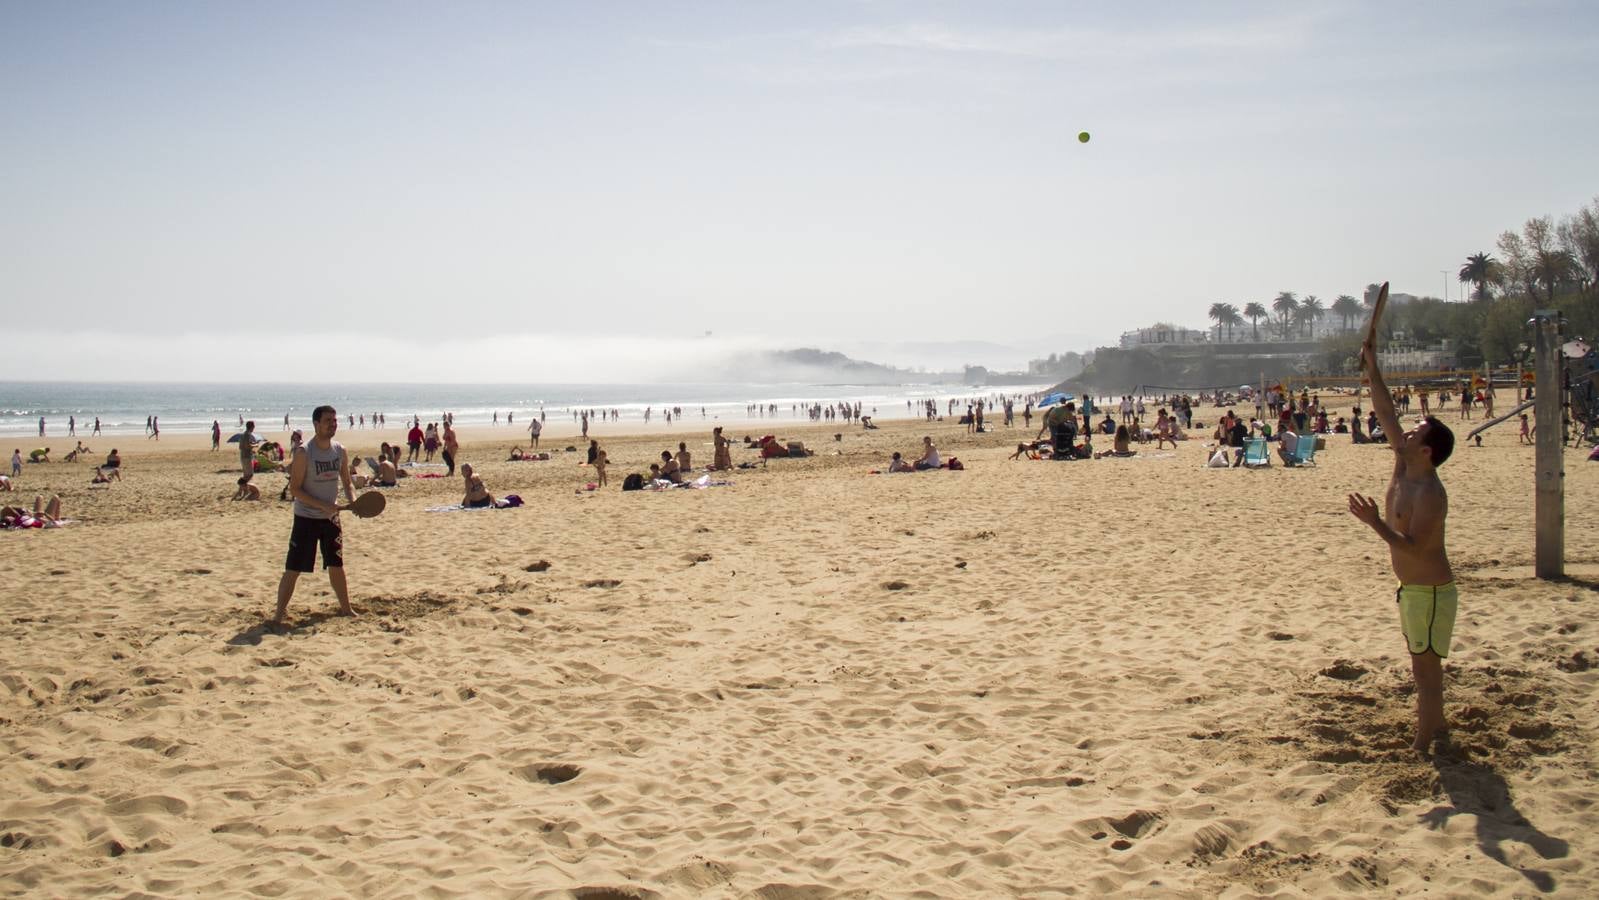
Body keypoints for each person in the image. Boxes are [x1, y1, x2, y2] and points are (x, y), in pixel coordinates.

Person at [1347, 328, 1456, 756]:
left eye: (1416, 433)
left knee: (1424, 674)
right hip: (1411, 590)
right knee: (1423, 668)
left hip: (1430, 593)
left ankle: (1422, 743)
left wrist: (1374, 522)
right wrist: (1372, 365)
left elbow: (1413, 547)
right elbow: (1386, 410)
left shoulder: (1431, 494)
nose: (1406, 433)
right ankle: (1439, 727)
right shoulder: (1403, 464)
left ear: (1427, 451)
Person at [273, 406, 357, 627]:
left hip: (331, 519)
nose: (333, 424)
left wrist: (354, 501)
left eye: (335, 420)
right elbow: (295, 490)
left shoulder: (340, 450)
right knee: (293, 568)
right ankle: (278, 616)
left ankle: (346, 609)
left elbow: (347, 482)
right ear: (316, 424)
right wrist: (323, 505)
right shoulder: (304, 453)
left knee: (336, 565)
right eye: (328, 420)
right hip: (306, 519)